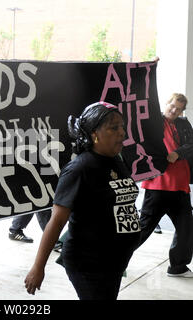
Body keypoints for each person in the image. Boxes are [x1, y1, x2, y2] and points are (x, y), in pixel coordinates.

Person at [24, 102, 141, 300]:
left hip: (115, 260)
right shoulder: (79, 169)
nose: (122, 132)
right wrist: (38, 267)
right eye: (114, 127)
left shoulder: (117, 160)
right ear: (94, 134)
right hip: (89, 262)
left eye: (122, 126)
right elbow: (57, 221)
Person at [138, 93, 193, 277]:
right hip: (157, 185)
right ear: (166, 103)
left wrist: (178, 153)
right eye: (172, 106)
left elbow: (192, 144)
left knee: (186, 228)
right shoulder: (153, 121)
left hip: (181, 186)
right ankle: (114, 260)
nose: (174, 110)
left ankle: (178, 267)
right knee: (143, 228)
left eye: (178, 109)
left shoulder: (184, 124)